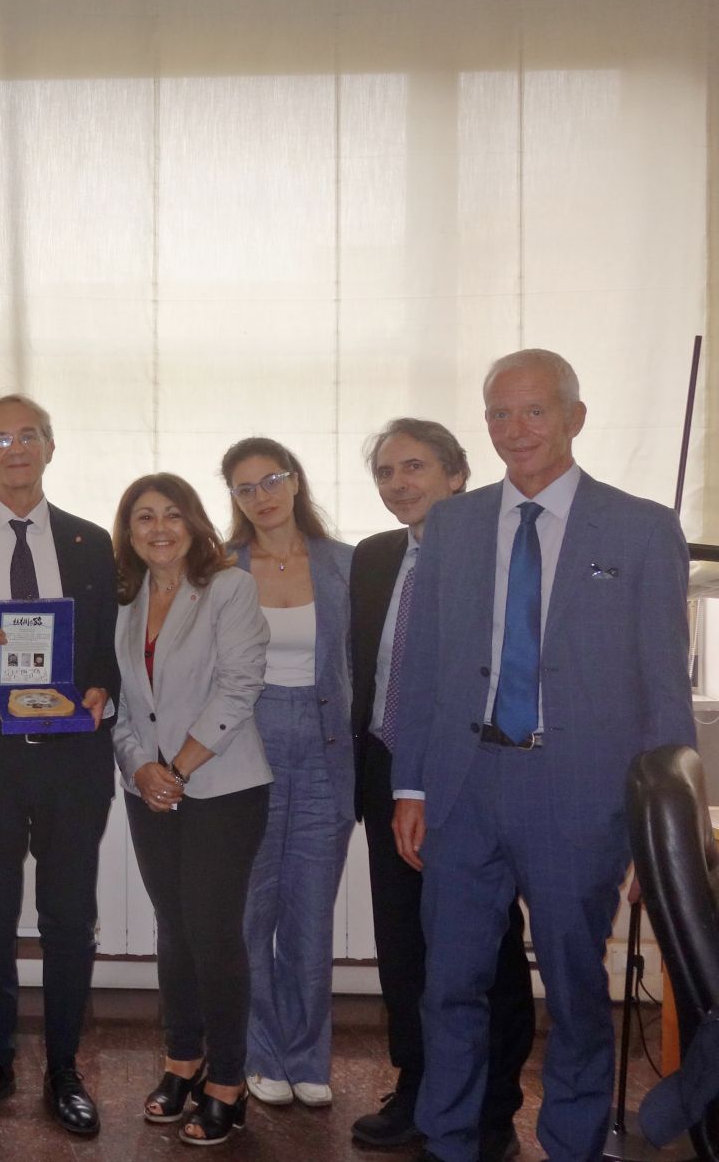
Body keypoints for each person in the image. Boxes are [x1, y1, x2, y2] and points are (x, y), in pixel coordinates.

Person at [392, 349, 694, 1162]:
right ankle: (451, 1140)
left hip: (578, 795)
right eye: (499, 412)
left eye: (533, 410)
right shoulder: (452, 524)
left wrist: (660, 831)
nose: (514, 429)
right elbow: (422, 666)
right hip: (463, 786)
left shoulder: (640, 528)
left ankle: (572, 1142)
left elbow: (665, 688)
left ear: (574, 417)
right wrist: (410, 785)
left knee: (574, 987)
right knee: (450, 982)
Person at [0, 395, 120, 1135]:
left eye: (28, 435)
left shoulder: (90, 541)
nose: (15, 448)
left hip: (72, 760)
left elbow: (109, 646)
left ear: (50, 446)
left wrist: (101, 689)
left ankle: (65, 1067)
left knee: (69, 919)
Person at [347, 419, 534, 1158]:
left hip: (467, 778)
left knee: (487, 950)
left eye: (415, 466)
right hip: (386, 768)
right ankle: (420, 1088)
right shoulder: (373, 557)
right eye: (385, 472)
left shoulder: (499, 553)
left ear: (457, 474)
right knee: (402, 945)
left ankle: (493, 1108)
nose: (399, 484)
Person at [109, 473, 272, 1148]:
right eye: (144, 517)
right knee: (173, 929)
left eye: (172, 514)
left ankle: (228, 1083)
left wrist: (176, 767)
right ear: (129, 532)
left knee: (213, 932)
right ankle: (182, 1059)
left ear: (195, 523)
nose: (159, 528)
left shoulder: (229, 587)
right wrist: (139, 767)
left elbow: (239, 686)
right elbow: (120, 703)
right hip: (148, 788)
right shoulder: (124, 599)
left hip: (222, 787)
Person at [217, 438, 355, 1109]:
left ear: (295, 480)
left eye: (271, 479)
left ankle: (307, 1055)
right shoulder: (222, 568)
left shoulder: (345, 565)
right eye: (245, 488)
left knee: (310, 913)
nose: (261, 495)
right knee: (250, 911)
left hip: (327, 751)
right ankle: (261, 1052)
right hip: (247, 747)